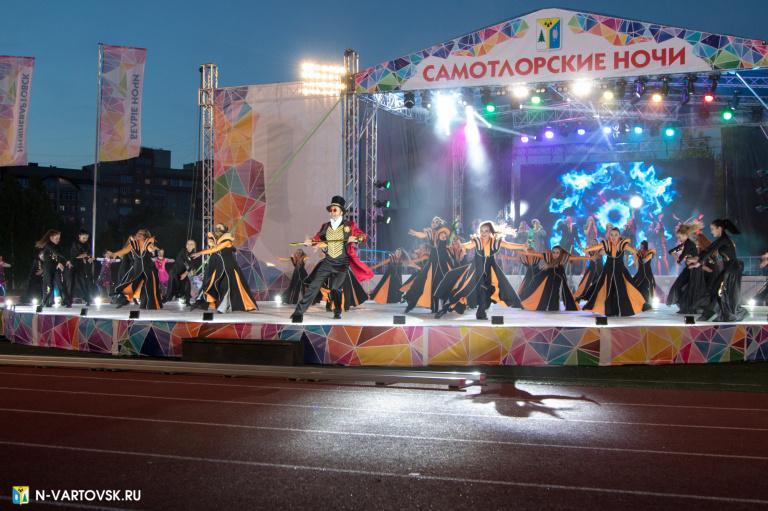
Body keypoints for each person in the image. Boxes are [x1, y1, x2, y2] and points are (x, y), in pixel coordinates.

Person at [290, 196, 372, 322]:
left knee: (335, 288)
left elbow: (363, 236)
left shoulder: (349, 226)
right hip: (328, 262)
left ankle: (337, 310)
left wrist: (357, 238)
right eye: (331, 210)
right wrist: (310, 241)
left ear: (341, 212)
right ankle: (298, 312)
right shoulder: (326, 226)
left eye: (334, 210)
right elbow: (317, 238)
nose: (332, 212)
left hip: (342, 263)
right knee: (314, 286)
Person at [434, 222, 527, 320]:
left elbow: (508, 245)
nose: (483, 233)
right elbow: (469, 245)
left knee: (487, 293)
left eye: (486, 231)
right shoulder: (477, 241)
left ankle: (481, 313)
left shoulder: (495, 242)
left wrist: (522, 246)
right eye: (482, 231)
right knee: (463, 292)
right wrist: (462, 245)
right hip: (475, 273)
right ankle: (445, 308)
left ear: (490, 232)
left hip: (489, 273)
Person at [688, 219, 748, 322]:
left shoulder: (724, 239)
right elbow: (709, 249)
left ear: (719, 228)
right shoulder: (722, 239)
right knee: (716, 289)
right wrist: (697, 259)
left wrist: (698, 262)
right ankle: (717, 313)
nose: (711, 232)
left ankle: (727, 314)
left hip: (732, 269)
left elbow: (710, 250)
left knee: (721, 291)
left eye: (712, 229)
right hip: (728, 268)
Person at [191, 224, 258, 313]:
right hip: (218, 267)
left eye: (220, 228)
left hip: (228, 267)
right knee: (214, 285)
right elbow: (212, 245)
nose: (217, 229)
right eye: (216, 227)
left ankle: (223, 307)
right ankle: (212, 303)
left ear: (224, 230)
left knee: (226, 286)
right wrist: (211, 240)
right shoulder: (215, 239)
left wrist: (200, 253)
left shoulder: (227, 240)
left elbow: (215, 249)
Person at [582, 228, 645, 317]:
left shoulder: (622, 245)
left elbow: (634, 251)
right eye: (611, 235)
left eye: (616, 235)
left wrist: (638, 253)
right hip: (608, 271)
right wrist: (587, 250)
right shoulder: (607, 244)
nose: (613, 237)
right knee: (605, 290)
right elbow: (597, 247)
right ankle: (608, 310)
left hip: (620, 271)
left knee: (624, 290)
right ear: (609, 236)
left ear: (619, 236)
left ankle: (626, 309)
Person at [402, 216, 452, 313]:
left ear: (440, 224)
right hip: (433, 260)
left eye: (436, 222)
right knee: (423, 281)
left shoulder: (442, 232)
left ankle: (446, 305)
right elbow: (423, 235)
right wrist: (416, 233)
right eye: (433, 222)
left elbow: (443, 243)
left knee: (445, 282)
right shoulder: (430, 232)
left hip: (443, 260)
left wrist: (442, 237)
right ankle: (432, 307)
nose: (434, 223)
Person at [519, 246, 590, 311]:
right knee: (543, 289)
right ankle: (540, 304)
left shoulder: (563, 257)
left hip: (559, 276)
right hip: (548, 276)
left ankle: (554, 307)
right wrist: (524, 252)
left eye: (557, 253)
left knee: (556, 291)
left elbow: (577, 258)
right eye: (553, 252)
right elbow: (534, 254)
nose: (555, 254)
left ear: (560, 253)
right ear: (551, 252)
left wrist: (590, 258)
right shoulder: (548, 256)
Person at [107, 229, 163, 309]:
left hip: (148, 269)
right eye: (138, 233)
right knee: (130, 284)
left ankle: (148, 304)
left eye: (141, 234)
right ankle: (124, 299)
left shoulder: (147, 243)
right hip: (137, 269)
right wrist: (114, 254)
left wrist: (153, 249)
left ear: (145, 236)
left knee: (149, 287)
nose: (138, 235)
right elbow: (125, 250)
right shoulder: (133, 244)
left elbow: (150, 248)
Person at [666, 221, 709, 314]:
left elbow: (683, 254)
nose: (679, 239)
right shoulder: (684, 244)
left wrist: (679, 260)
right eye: (678, 237)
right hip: (689, 268)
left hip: (695, 269)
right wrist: (676, 257)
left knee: (692, 288)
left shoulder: (689, 243)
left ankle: (691, 307)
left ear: (685, 235)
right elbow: (671, 251)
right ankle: (685, 306)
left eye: (679, 237)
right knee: (679, 286)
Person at [36, 229, 70, 307]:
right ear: (51, 238)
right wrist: (67, 259)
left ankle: (67, 301)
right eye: (56, 238)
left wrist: (60, 262)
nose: (58, 240)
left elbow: (59, 256)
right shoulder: (48, 245)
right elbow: (57, 253)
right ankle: (44, 302)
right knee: (50, 287)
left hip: (55, 268)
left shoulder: (57, 246)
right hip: (48, 269)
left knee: (61, 285)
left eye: (59, 238)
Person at [165, 240, 200, 305]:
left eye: (191, 244)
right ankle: (168, 297)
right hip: (175, 271)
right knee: (173, 281)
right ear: (186, 245)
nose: (189, 245)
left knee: (187, 284)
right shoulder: (183, 251)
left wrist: (185, 273)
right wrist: (186, 272)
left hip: (183, 272)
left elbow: (192, 265)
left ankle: (187, 301)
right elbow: (184, 260)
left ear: (194, 246)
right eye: (188, 244)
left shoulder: (195, 255)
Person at [67, 229, 95, 305]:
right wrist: (85, 256)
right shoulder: (75, 244)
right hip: (73, 265)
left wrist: (89, 258)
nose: (85, 240)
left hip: (81, 266)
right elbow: (76, 255)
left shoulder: (87, 245)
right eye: (84, 238)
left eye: (87, 238)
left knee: (82, 282)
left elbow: (88, 254)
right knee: (71, 283)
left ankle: (87, 299)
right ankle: (68, 301)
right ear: (79, 236)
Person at [631, 240, 657, 311]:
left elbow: (644, 260)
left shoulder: (650, 253)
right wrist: (634, 257)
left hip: (647, 275)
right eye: (640, 247)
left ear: (646, 247)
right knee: (635, 287)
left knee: (647, 289)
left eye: (642, 247)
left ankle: (648, 304)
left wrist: (638, 255)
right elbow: (635, 264)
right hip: (640, 274)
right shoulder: (639, 253)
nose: (641, 248)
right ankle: (638, 304)